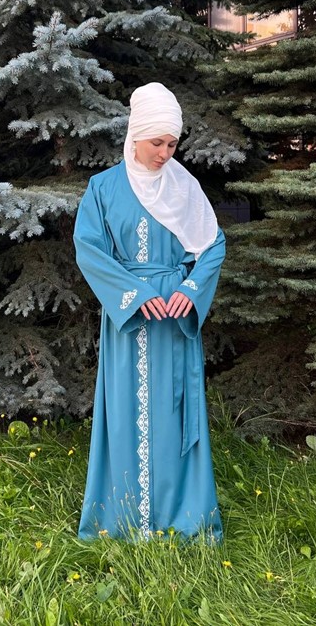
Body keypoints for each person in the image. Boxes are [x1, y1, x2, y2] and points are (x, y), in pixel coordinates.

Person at [73, 81, 225, 541]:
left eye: (172, 144)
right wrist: (135, 295)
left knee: (172, 412)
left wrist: (192, 288)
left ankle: (182, 516)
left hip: (174, 318)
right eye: (157, 142)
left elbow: (212, 245)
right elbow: (89, 249)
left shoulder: (185, 186)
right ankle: (121, 518)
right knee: (124, 413)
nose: (165, 153)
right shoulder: (103, 188)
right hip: (129, 319)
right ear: (136, 135)